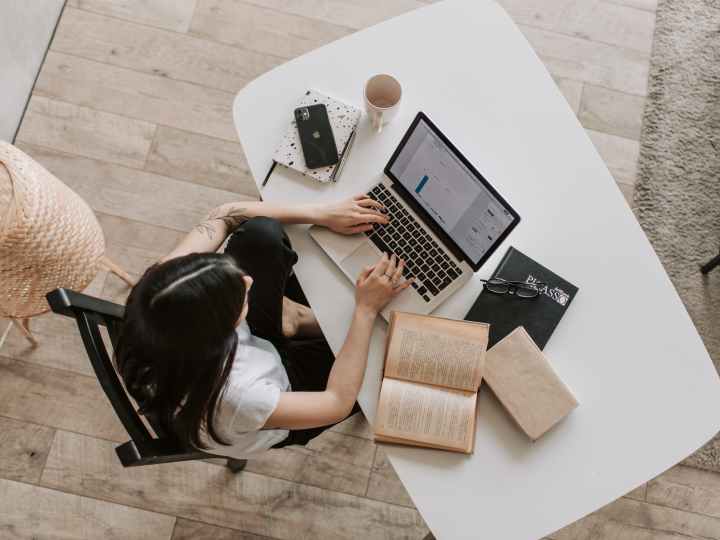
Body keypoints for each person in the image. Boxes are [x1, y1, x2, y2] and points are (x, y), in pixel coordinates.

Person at [114, 195, 412, 458]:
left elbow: (224, 214)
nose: (248, 281)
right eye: (239, 296)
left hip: (234, 356)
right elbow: (336, 402)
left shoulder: (161, 289)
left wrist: (322, 213)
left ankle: (291, 320)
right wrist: (365, 310)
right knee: (390, 356)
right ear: (221, 330)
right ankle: (295, 320)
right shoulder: (240, 396)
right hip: (282, 396)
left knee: (260, 234)